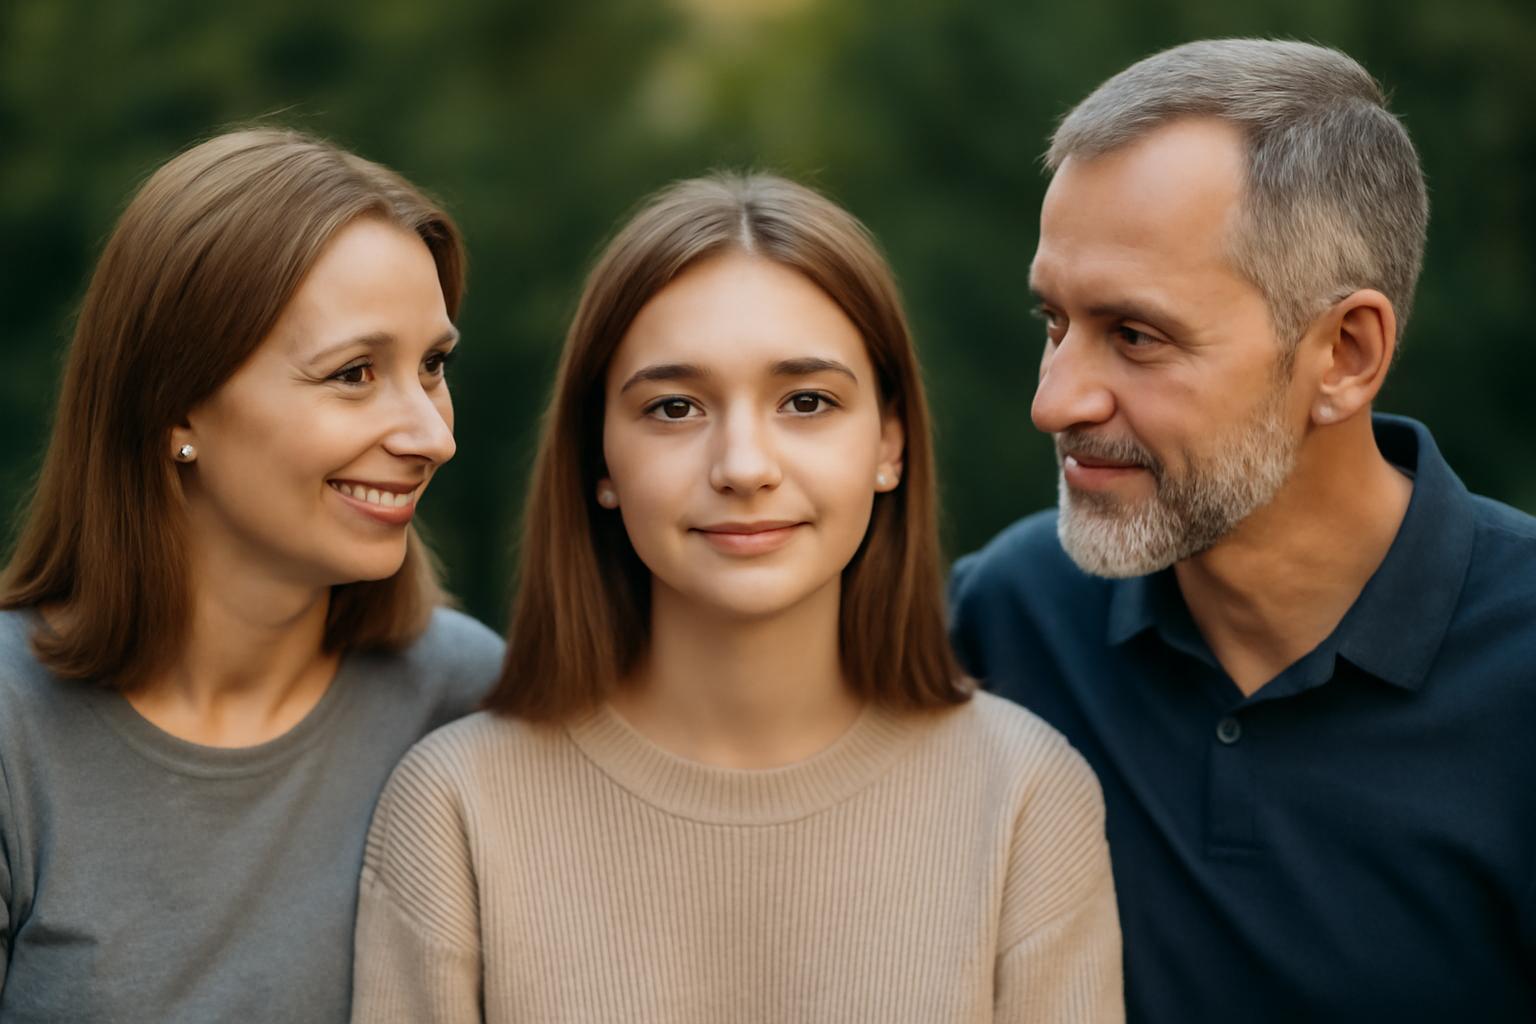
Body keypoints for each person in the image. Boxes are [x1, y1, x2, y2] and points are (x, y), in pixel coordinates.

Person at [351, 173, 1123, 1023]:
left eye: (806, 402)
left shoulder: (1023, 799)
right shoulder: (455, 809)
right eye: (675, 408)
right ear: (600, 458)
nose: (744, 467)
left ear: (889, 443)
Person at [948, 38, 1536, 1023]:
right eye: (1055, 322)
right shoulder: (1011, 618)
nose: (1054, 401)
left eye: (1136, 336)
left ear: (1345, 354)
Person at [0, 128, 504, 1022]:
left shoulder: (467, 700)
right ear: (175, 407)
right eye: (354, 373)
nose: (434, 436)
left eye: (434, 366)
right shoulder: (13, 730)